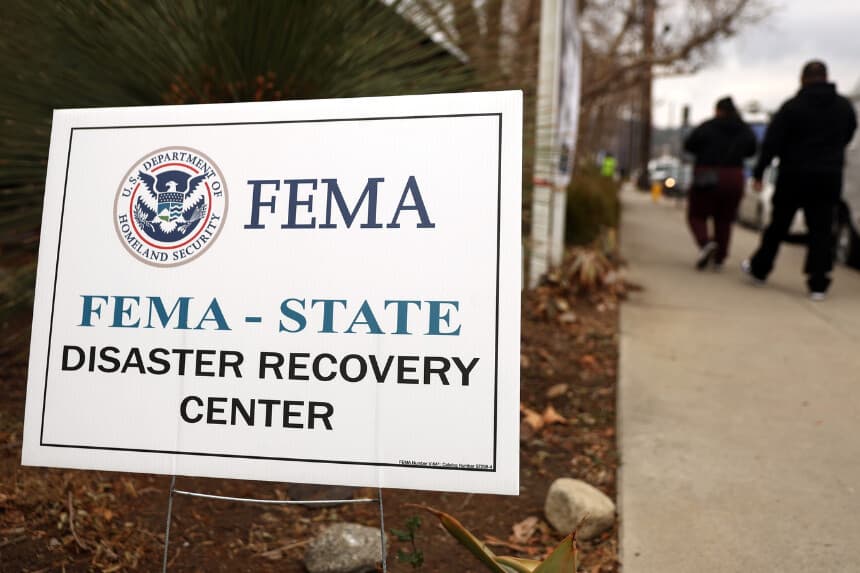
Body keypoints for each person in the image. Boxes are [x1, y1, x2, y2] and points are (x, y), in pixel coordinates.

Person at [742, 60, 858, 299]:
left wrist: (759, 172)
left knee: (778, 225)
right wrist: (831, 155)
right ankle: (818, 283)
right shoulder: (843, 107)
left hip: (793, 174)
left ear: (803, 79)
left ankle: (760, 269)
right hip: (828, 176)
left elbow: (771, 143)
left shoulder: (792, 107)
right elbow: (849, 133)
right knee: (822, 230)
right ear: (826, 77)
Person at [684, 96, 757, 270]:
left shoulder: (707, 126)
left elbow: (689, 145)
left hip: (707, 174)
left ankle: (705, 243)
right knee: (724, 219)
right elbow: (752, 150)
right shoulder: (744, 129)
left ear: (718, 110)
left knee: (696, 214)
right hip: (734, 176)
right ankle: (719, 258)